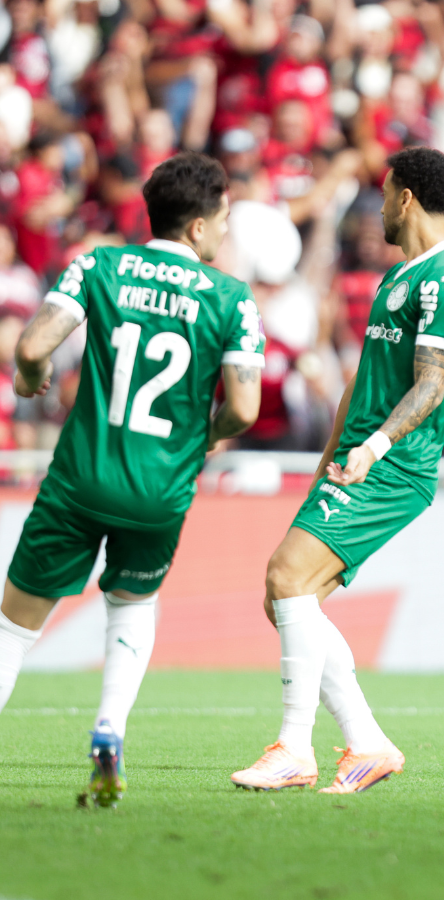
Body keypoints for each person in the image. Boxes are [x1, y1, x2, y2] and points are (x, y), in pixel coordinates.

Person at [0, 152, 264, 806]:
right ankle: (110, 729)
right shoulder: (231, 298)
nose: (226, 232)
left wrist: (31, 383)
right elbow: (245, 407)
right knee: (133, 605)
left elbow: (32, 349)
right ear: (198, 228)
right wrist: (200, 438)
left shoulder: (99, 264)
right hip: (161, 490)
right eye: (224, 220)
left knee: (13, 627)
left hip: (80, 477)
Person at [230, 147, 444, 795]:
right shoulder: (398, 277)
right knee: (287, 598)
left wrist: (374, 448)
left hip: (395, 468)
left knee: (288, 576)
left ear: (404, 198)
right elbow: (363, 382)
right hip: (355, 461)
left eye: (384, 193)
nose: (378, 206)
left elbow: (431, 385)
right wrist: (333, 454)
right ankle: (367, 744)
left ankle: (294, 748)